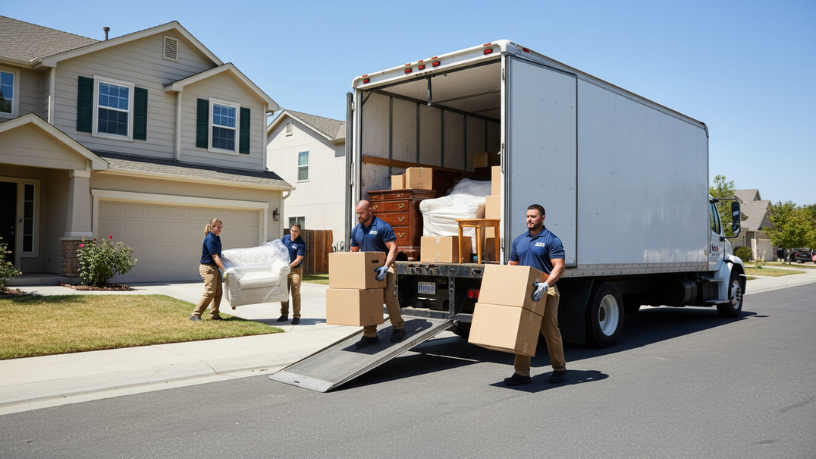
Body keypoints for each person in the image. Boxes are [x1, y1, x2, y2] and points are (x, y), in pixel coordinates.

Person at [504, 204, 567, 385]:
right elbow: (513, 265)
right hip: (526, 290)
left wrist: (546, 285)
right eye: (527, 216)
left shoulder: (551, 239)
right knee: (524, 330)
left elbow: (559, 266)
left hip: (546, 291)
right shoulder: (519, 240)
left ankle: (559, 369)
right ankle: (522, 373)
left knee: (550, 331)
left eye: (533, 216)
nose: (529, 219)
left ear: (542, 218)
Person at [349, 199, 406, 349]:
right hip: (367, 269)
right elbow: (353, 252)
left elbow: (393, 248)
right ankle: (370, 335)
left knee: (388, 296)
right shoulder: (356, 230)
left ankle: (399, 327)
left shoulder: (382, 226)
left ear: (370, 211)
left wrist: (386, 267)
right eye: (357, 213)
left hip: (386, 266)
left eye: (361, 213)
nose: (359, 216)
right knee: (368, 299)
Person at [191, 218, 225, 321]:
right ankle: (195, 314)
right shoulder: (210, 239)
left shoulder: (216, 238)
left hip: (215, 268)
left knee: (218, 292)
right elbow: (215, 256)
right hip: (208, 269)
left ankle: (214, 315)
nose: (220, 229)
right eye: (218, 227)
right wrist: (225, 269)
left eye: (221, 227)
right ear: (212, 227)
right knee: (210, 292)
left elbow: (219, 255)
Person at [278, 223, 306, 325]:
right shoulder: (285, 238)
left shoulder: (301, 243)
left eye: (296, 231)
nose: (293, 233)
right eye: (292, 230)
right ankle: (284, 314)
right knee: (284, 292)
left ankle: (296, 316)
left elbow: (298, 259)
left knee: (295, 292)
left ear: (299, 232)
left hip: (295, 270)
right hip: (284, 269)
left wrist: (288, 266)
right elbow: (280, 250)